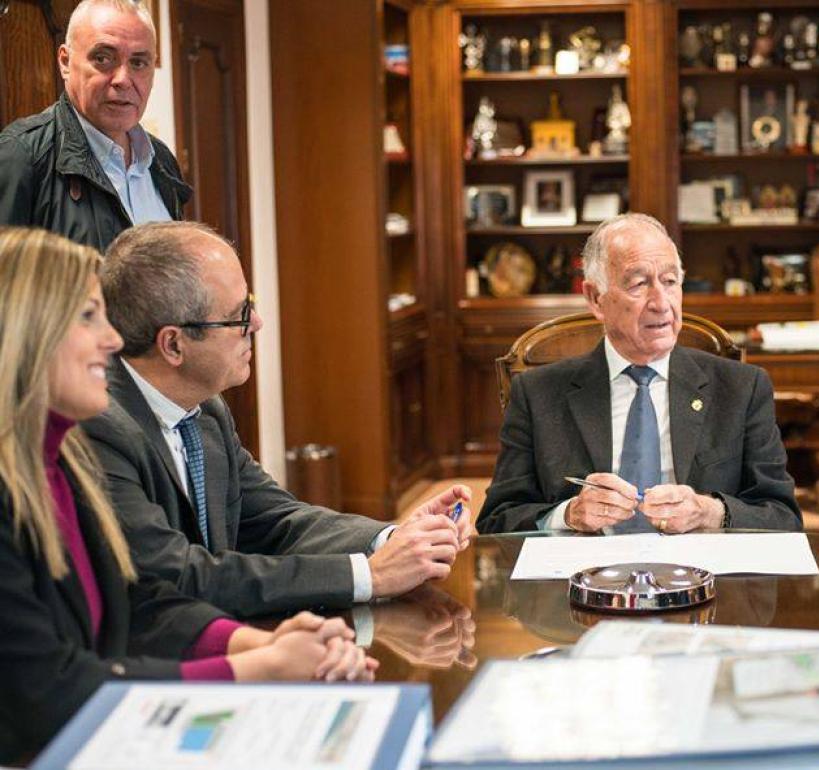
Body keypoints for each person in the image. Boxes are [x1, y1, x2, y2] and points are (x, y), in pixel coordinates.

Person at [0, 228, 375, 764]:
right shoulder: (62, 459)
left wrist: (261, 643)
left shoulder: (62, 462)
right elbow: (48, 691)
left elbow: (138, 599)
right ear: (22, 334)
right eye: (87, 317)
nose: (112, 340)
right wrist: (257, 668)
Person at [82, 221, 474, 617]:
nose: (256, 323)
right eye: (238, 315)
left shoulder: (206, 411)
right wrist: (370, 575)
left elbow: (277, 521)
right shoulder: (99, 428)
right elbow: (178, 575)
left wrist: (391, 539)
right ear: (173, 344)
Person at [478, 213, 800, 534]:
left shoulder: (742, 388)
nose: (661, 303)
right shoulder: (537, 394)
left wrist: (709, 512)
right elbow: (498, 520)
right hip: (587, 563)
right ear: (595, 298)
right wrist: (568, 515)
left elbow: (783, 516)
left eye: (670, 281)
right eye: (639, 284)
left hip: (700, 564)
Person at [0, 0, 190, 250]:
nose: (123, 80)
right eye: (103, 58)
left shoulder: (162, 161)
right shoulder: (21, 157)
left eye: (138, 63)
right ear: (65, 62)